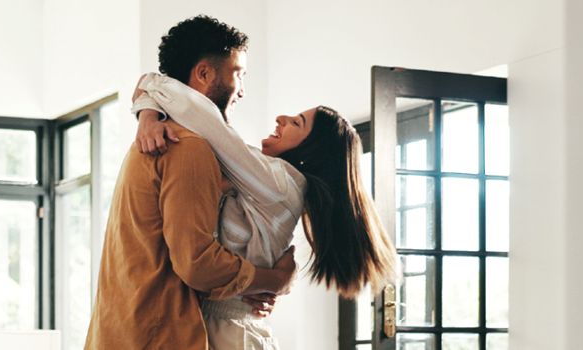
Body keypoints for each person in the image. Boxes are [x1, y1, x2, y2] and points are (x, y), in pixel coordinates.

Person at [130, 70, 401, 350]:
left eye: (296, 122)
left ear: (310, 151)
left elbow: (202, 120)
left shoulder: (280, 182)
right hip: (223, 326)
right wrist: (148, 114)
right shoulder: (265, 181)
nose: (280, 118)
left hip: (232, 332)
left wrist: (149, 108)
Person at [82, 15, 297, 350]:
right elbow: (198, 264)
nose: (242, 89)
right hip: (160, 337)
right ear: (204, 73)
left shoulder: (151, 140)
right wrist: (276, 280)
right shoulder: (188, 147)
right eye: (238, 74)